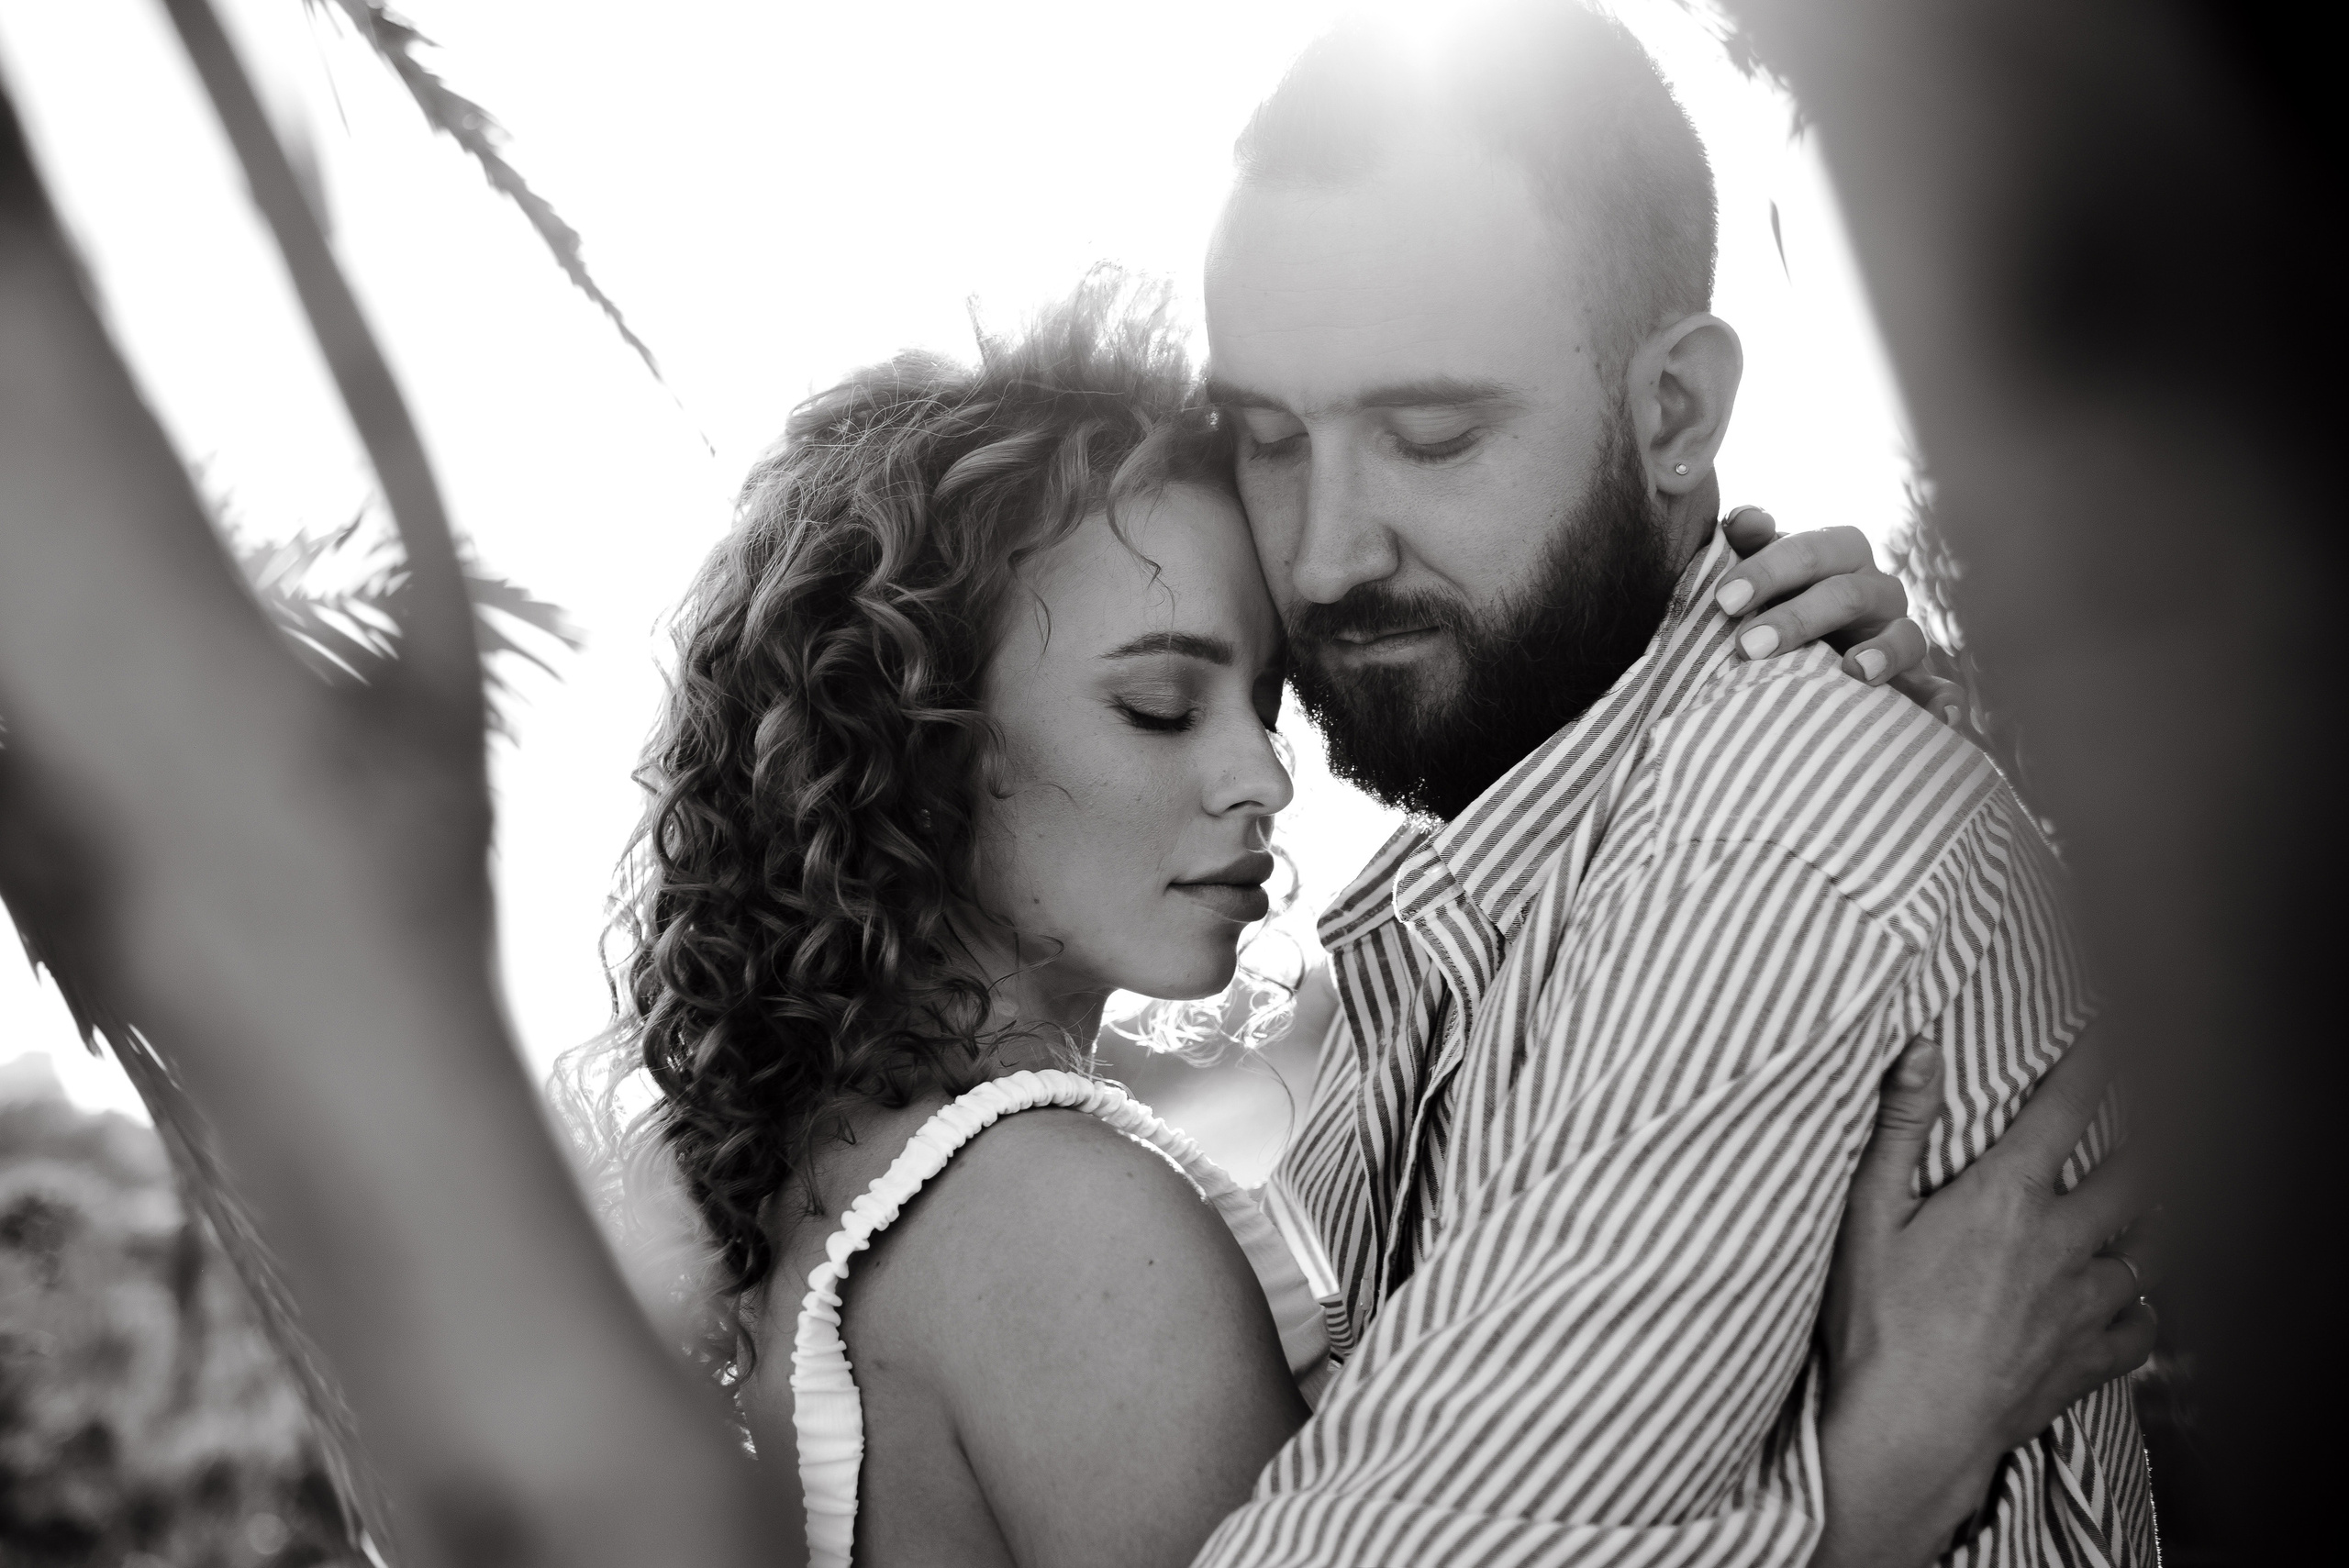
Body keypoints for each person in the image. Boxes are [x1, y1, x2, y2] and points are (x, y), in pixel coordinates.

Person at [565, 273, 2154, 1568]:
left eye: (1258, 700)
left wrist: (1797, 700)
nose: (1263, 774)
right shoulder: (1056, 1219)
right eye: (1160, 703)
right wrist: (1884, 1467)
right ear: (912, 741)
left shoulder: (833, 1211)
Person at [1186, 5, 2154, 1564]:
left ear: (1678, 414)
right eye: (1266, 438)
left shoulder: (1759, 848)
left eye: (1430, 435)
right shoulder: (1521, 871)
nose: (1321, 552)